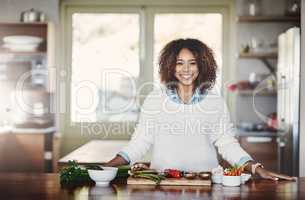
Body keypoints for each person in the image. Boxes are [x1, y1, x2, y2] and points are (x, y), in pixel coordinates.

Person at [106, 38, 295, 181]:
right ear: (170, 66)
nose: (186, 69)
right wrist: (107, 167)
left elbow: (226, 142)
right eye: (179, 63)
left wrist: (255, 168)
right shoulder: (155, 100)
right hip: (164, 183)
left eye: (193, 62)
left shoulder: (215, 101)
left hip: (207, 183)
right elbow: (140, 141)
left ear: (202, 65)